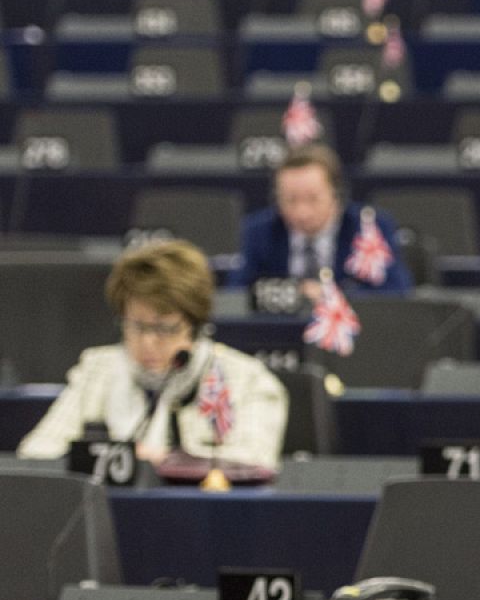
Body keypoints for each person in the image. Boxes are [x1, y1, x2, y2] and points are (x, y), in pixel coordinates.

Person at [17, 240, 287, 470]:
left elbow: (255, 461)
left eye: (164, 328)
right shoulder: (97, 369)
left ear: (196, 327)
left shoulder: (248, 380)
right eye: (135, 325)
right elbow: (36, 455)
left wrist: (168, 461)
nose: (147, 342)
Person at [229, 143, 413, 295]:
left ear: (336, 196)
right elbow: (237, 295)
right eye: (290, 200)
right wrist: (292, 293)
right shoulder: (259, 231)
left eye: (313, 199)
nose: (302, 212)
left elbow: (396, 292)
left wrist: (330, 296)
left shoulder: (370, 229)